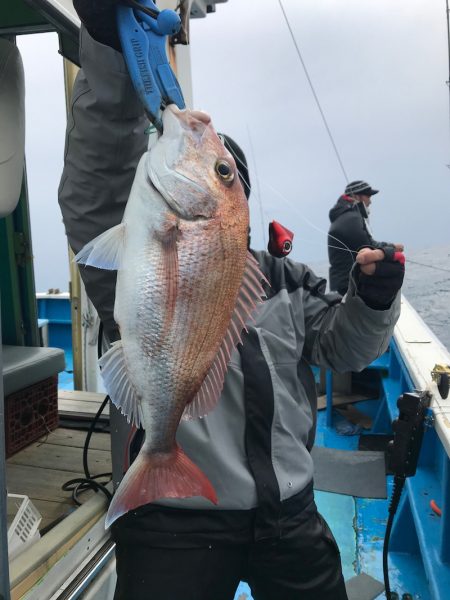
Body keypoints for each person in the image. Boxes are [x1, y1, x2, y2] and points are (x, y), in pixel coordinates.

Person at [58, 6, 405, 599]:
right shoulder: (138, 257)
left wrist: (372, 300)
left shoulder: (287, 282)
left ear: (235, 212)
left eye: (227, 175)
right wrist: (108, 50)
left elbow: (346, 348)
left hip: (288, 511)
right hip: (176, 515)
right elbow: (93, 188)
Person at [328, 180, 404, 296]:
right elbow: (366, 246)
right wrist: (392, 248)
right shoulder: (350, 218)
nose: (370, 201)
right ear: (356, 196)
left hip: (345, 284)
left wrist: (389, 247)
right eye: (368, 196)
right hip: (349, 286)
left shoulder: (346, 216)